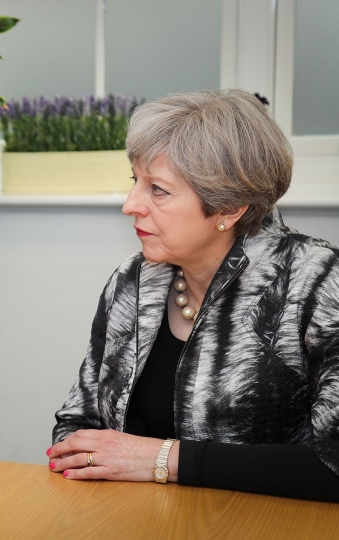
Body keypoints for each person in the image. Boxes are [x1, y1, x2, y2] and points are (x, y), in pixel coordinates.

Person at [48, 89, 339, 501]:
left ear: (229, 206)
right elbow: (79, 425)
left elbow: (334, 462)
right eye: (136, 182)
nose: (131, 205)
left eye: (158, 190)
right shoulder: (134, 280)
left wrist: (164, 459)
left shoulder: (318, 282)